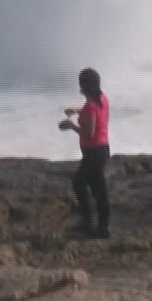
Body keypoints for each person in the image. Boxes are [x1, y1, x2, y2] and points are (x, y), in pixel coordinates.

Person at [58, 68, 110, 238]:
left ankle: (93, 224)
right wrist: (76, 111)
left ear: (85, 85)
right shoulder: (102, 99)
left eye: (81, 82)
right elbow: (92, 113)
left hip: (94, 152)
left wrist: (71, 126)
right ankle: (99, 224)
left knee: (82, 185)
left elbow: (88, 133)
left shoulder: (91, 106)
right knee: (97, 188)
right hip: (101, 150)